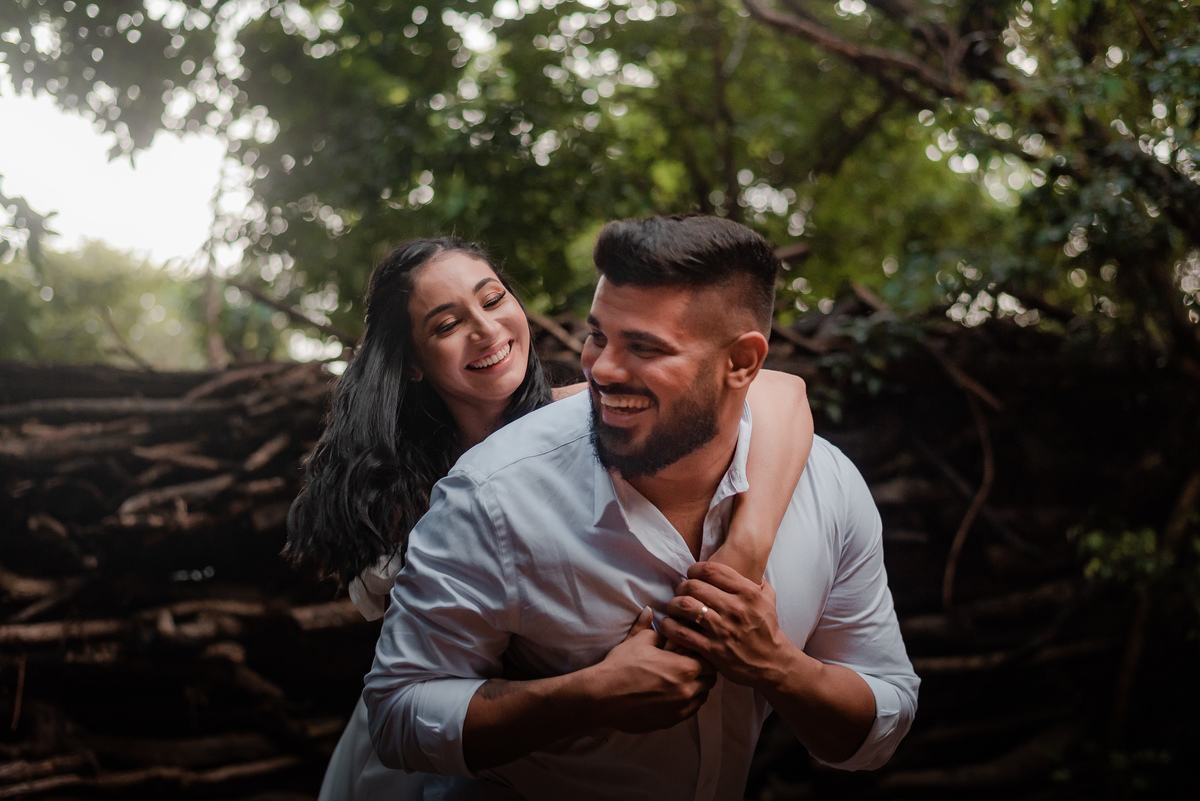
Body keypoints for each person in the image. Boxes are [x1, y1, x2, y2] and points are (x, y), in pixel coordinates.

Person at [363, 215, 919, 800]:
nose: (601, 369)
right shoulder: (487, 491)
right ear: (414, 364)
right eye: (598, 335)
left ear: (741, 364)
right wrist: (590, 696)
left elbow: (881, 724)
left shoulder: (823, 482)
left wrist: (778, 662)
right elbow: (399, 713)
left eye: (645, 347)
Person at [285, 236, 815, 799]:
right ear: (413, 364)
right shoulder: (402, 491)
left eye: (492, 300)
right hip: (432, 755)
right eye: (446, 325)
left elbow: (781, 390)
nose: (485, 330)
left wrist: (745, 548)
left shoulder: (588, 409)